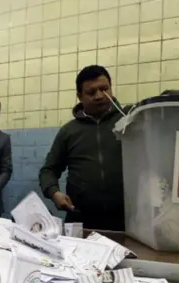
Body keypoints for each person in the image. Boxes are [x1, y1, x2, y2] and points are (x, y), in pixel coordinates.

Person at [38, 65, 128, 231]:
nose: (99, 96)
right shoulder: (69, 131)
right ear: (79, 96)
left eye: (104, 89)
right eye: (91, 92)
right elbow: (48, 170)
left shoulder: (129, 121)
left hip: (127, 219)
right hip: (81, 220)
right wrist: (54, 192)